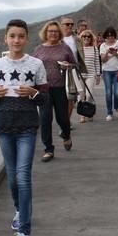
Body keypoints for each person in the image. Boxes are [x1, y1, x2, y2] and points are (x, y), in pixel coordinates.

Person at [0, 19, 48, 236]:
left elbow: (45, 100)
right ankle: (18, 210)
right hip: (4, 125)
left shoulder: (36, 65)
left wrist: (33, 93)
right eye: (12, 36)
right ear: (6, 38)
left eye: (21, 36)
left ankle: (24, 233)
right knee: (12, 178)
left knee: (23, 178)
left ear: (26, 39)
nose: (16, 40)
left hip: (27, 127)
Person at [32, 21, 76, 162]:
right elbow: (33, 69)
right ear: (45, 33)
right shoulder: (38, 49)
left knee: (62, 117)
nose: (53, 33)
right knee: (45, 118)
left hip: (60, 87)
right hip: (43, 88)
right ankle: (48, 149)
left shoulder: (65, 48)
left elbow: (75, 64)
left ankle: (66, 135)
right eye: (50, 31)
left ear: (59, 33)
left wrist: (68, 66)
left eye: (56, 31)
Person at [59, 17, 86, 127]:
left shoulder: (77, 39)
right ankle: (64, 122)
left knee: (71, 98)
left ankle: (66, 121)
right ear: (61, 25)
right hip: (59, 71)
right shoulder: (57, 39)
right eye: (67, 24)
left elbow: (80, 54)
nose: (70, 26)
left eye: (71, 24)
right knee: (61, 98)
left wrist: (80, 66)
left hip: (73, 70)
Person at [77, 29, 102, 123]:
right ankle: (82, 115)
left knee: (88, 95)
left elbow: (97, 62)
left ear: (91, 38)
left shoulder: (94, 49)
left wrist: (98, 74)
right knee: (81, 95)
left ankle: (89, 112)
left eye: (89, 36)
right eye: (84, 36)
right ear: (81, 38)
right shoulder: (78, 49)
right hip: (80, 75)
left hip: (91, 74)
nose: (86, 38)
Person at [99, 26, 118, 121]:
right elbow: (103, 60)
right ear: (106, 36)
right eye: (108, 36)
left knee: (117, 92)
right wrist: (108, 52)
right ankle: (109, 112)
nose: (110, 37)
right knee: (108, 92)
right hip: (106, 71)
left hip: (117, 70)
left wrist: (115, 53)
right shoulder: (102, 46)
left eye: (112, 35)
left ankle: (116, 107)